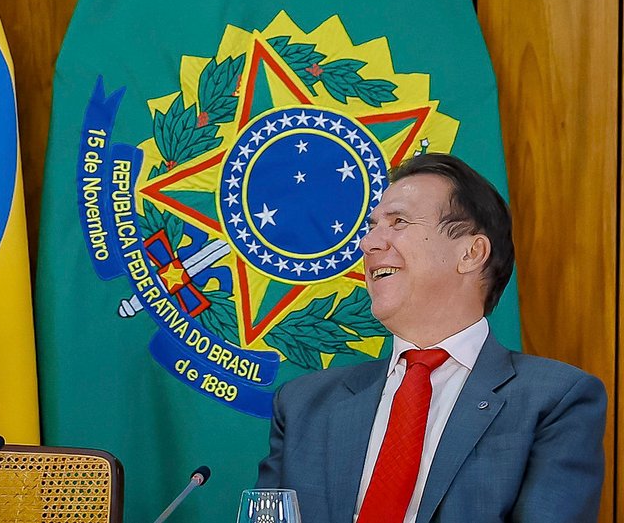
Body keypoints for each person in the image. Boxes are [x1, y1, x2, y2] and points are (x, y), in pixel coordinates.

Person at [257, 152, 604, 523]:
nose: (368, 243)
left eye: (398, 222)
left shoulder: (555, 401)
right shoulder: (303, 405)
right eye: (373, 227)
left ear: (471, 253)